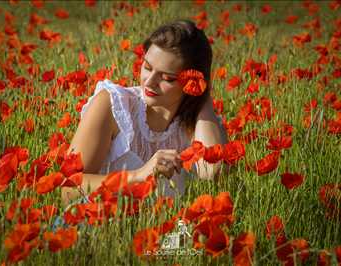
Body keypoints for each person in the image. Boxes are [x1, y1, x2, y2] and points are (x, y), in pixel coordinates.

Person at [62, 19, 227, 204]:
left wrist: (201, 96)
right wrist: (139, 176)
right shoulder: (114, 106)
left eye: (167, 78)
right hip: (94, 227)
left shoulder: (200, 124)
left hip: (165, 231)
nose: (149, 82)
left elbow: (212, 171)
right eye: (147, 67)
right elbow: (68, 190)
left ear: (191, 84)